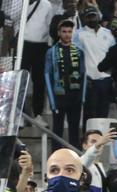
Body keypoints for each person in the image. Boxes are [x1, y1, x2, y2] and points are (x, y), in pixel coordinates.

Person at [44, 20, 86, 149]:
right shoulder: (51, 52)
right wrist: (52, 101)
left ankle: (75, 160)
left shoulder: (79, 51)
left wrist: (82, 98)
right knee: (57, 131)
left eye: (69, 31)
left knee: (74, 131)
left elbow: (83, 74)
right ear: (58, 33)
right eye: (64, 32)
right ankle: (55, 160)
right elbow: (47, 75)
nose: (67, 35)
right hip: (59, 97)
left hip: (75, 97)